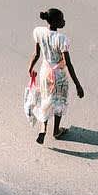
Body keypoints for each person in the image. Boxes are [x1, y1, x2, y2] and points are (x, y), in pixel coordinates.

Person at [27, 8, 84, 145]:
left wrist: (30, 68)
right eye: (62, 19)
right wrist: (78, 85)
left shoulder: (39, 32)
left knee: (46, 99)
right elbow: (68, 64)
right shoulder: (61, 39)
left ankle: (43, 129)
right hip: (59, 75)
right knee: (59, 101)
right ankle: (56, 131)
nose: (64, 21)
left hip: (45, 72)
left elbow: (36, 54)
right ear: (56, 22)